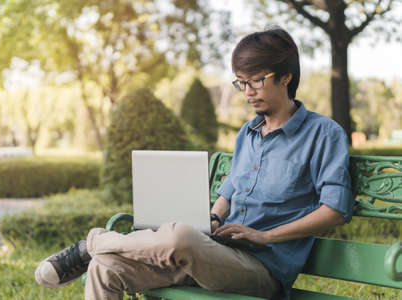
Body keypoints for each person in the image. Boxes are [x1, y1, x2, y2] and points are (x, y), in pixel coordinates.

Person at [35, 26, 354, 300]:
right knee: (107, 268)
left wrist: (264, 236)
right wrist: (213, 218)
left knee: (179, 237)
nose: (247, 92)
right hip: (215, 252)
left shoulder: (323, 134)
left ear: (286, 77)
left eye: (256, 80)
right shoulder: (249, 133)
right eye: (240, 82)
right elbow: (230, 190)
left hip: (263, 269)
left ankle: (92, 243)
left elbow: (335, 211)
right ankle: (98, 252)